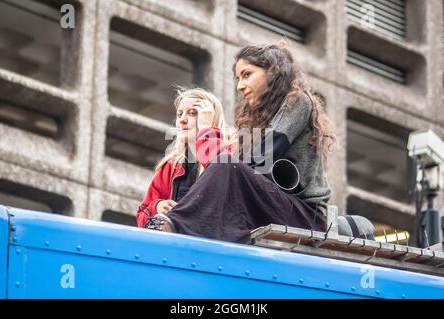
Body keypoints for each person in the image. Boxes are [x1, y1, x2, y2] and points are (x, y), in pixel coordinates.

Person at [138, 43, 337, 243]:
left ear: (273, 72)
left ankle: (174, 224)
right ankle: (177, 226)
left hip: (304, 216)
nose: (240, 85)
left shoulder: (298, 102)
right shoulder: (257, 120)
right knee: (226, 167)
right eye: (238, 78)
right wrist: (156, 206)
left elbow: (258, 163)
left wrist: (207, 131)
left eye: (247, 74)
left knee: (226, 164)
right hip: (271, 206)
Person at [136, 87, 233, 231]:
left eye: (193, 113)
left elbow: (223, 173)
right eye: (179, 114)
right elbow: (141, 216)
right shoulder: (171, 166)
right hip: (175, 246)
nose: (182, 120)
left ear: (210, 118)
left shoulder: (232, 153)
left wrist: (206, 129)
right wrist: (157, 206)